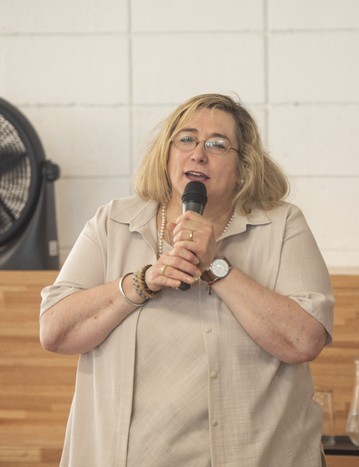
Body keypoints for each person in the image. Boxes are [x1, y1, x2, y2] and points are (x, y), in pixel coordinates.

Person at [39, 93, 335, 466]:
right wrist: (141, 282)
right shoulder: (113, 222)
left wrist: (216, 267)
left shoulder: (282, 225)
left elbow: (304, 340)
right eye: (186, 139)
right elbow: (55, 331)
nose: (198, 153)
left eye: (217, 144)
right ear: (166, 154)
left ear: (244, 166)